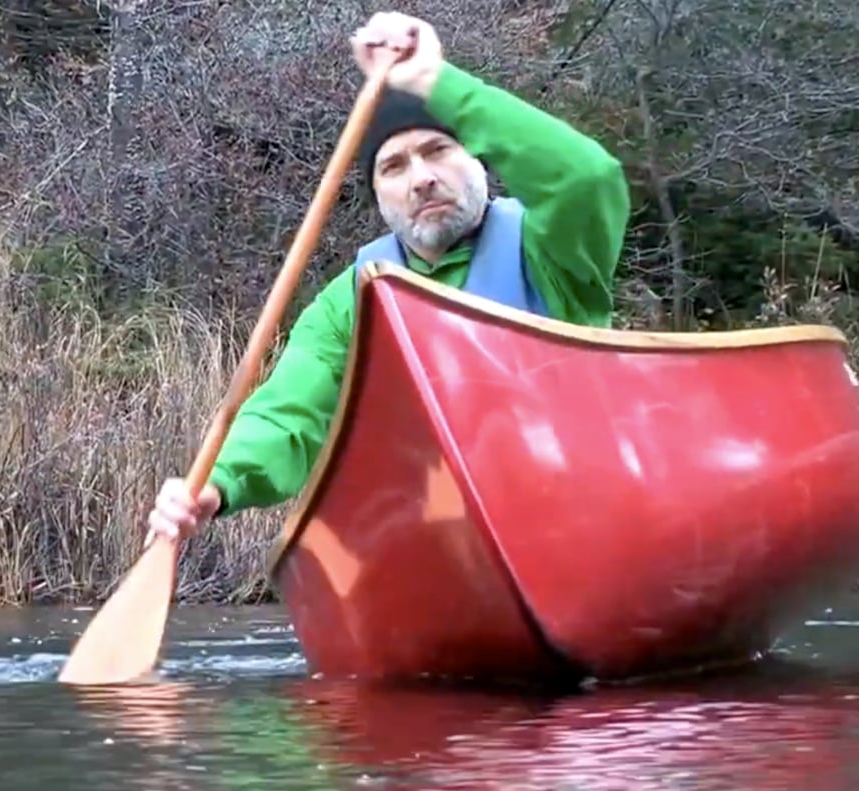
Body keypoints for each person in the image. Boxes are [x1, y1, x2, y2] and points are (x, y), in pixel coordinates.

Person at [146, 10, 630, 544]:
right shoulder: (349, 303)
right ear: (378, 198)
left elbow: (588, 178)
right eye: (393, 167)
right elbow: (288, 416)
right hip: (440, 540)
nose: (422, 178)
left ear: (479, 162)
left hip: (580, 517)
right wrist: (216, 484)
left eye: (439, 151)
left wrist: (435, 82)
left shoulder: (552, 253)